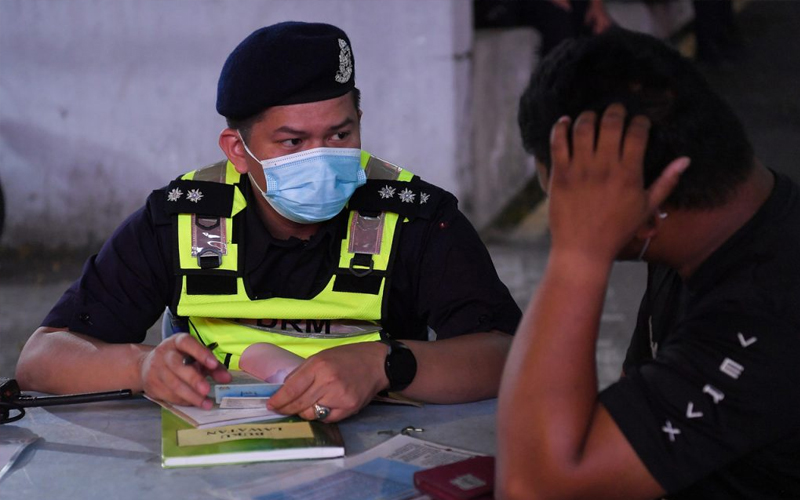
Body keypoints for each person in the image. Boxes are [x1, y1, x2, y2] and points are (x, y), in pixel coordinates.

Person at [15, 22, 521, 423]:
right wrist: (142, 366)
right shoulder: (183, 218)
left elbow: (507, 355)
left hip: (382, 438)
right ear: (238, 150)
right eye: (293, 142)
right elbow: (42, 358)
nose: (322, 158)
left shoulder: (413, 216)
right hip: (217, 453)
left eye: (340, 135)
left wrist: (386, 363)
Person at [497, 27, 800, 499]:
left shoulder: (769, 309)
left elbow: (531, 487)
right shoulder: (704, 239)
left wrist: (578, 254)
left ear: (642, 211)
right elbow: (626, 406)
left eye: (564, 205)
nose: (561, 220)